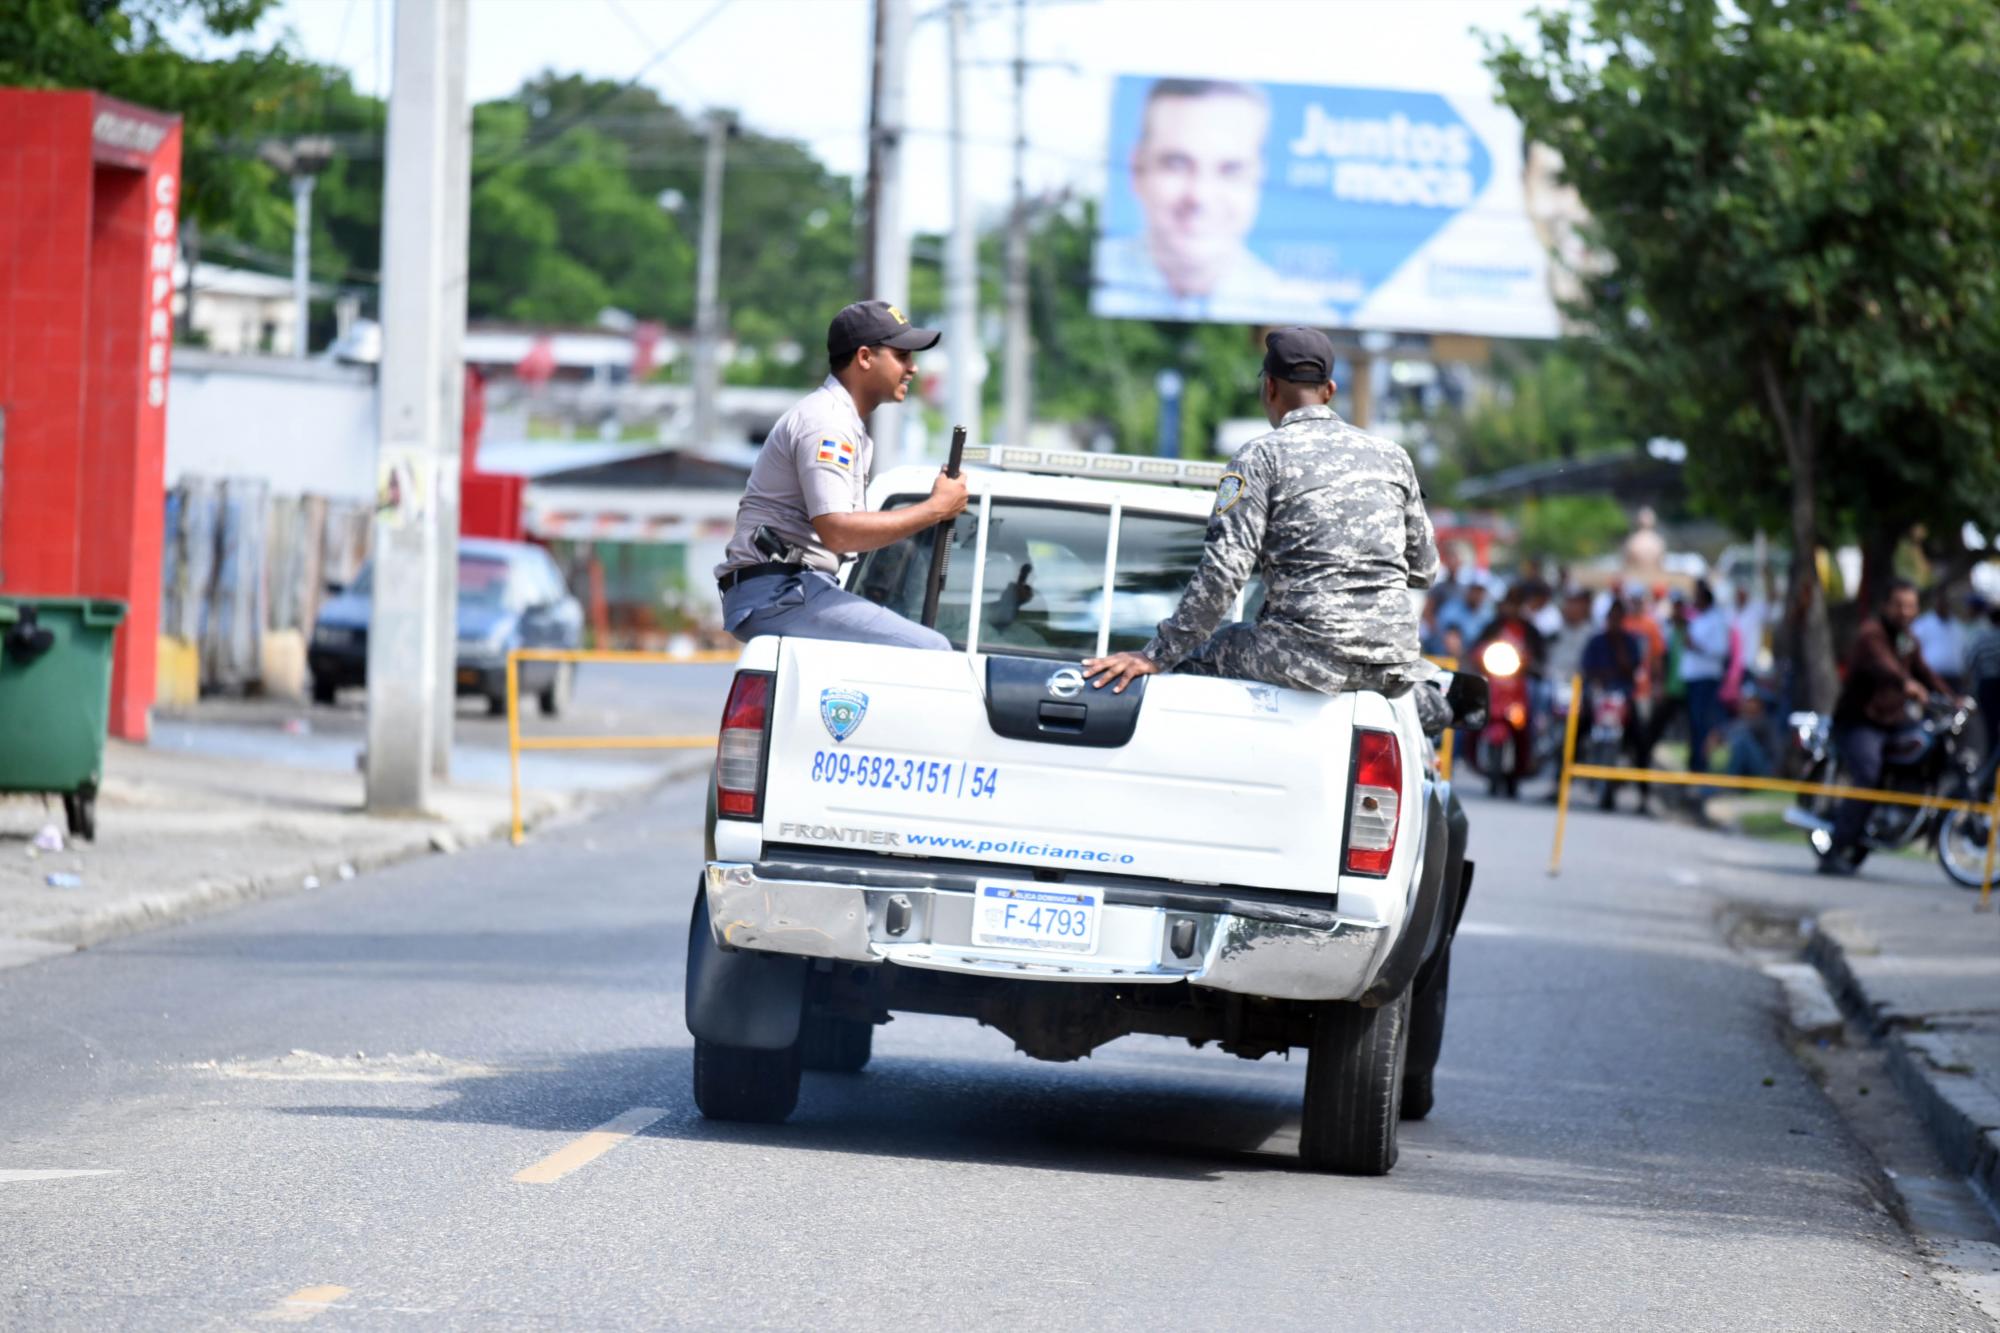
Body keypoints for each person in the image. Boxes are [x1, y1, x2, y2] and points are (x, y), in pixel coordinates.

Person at [1081, 327, 1439, 711]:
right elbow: (1425, 570)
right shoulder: (1393, 456)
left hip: (1304, 659)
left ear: (1268, 387)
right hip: (1393, 665)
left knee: (1191, 658)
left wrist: (1156, 655)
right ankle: (1437, 702)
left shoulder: (1260, 457)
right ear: (1330, 390)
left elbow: (1225, 570)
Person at [714, 300, 968, 649]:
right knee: (932, 649)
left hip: (793, 588)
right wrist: (936, 508)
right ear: (864, 357)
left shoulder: (841, 421)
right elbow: (838, 532)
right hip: (778, 592)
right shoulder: (827, 423)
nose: (913, 367)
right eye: (901, 355)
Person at [1093, 79, 1318, 323]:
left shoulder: (1299, 314)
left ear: (1259, 177)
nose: (1199, 196)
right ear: (1137, 169)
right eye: (1177, 164)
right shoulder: (1082, 276)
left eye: (1230, 169)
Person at [1823, 579, 1954, 873]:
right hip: (1860, 721)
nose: (1905, 611)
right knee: (1868, 775)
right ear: (1886, 606)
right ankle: (1835, 850)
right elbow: (1884, 666)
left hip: (1894, 720)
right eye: (1899, 605)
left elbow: (1924, 672)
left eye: (1911, 606)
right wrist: (1906, 684)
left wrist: (1953, 698)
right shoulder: (1872, 635)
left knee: (1923, 747)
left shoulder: (1907, 639)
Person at [1681, 581, 1732, 772]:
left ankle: (1701, 766)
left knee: (1702, 723)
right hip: (1694, 680)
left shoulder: (1716, 620)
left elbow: (1721, 650)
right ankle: (1695, 763)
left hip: (1706, 680)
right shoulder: (1699, 619)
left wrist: (1696, 646)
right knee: (1694, 724)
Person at [1968, 597, 2000, 759]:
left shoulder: (1981, 638)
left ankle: (1992, 759)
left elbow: (1970, 661)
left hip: (1986, 685)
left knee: (1990, 726)